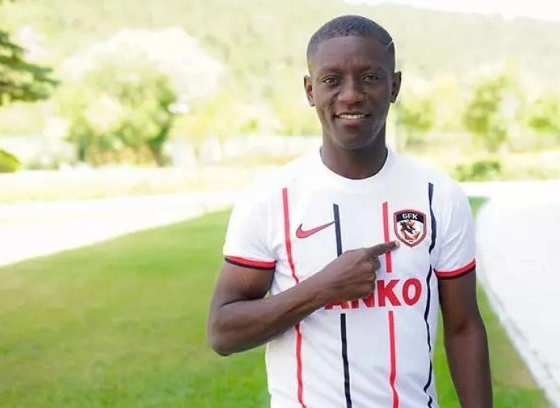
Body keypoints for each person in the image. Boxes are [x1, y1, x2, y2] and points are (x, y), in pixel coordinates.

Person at [207, 14, 493, 408]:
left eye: (370, 77)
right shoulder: (270, 198)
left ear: (395, 86)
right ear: (310, 90)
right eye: (332, 80)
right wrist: (323, 288)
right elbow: (223, 332)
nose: (351, 95)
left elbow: (464, 328)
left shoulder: (438, 196)